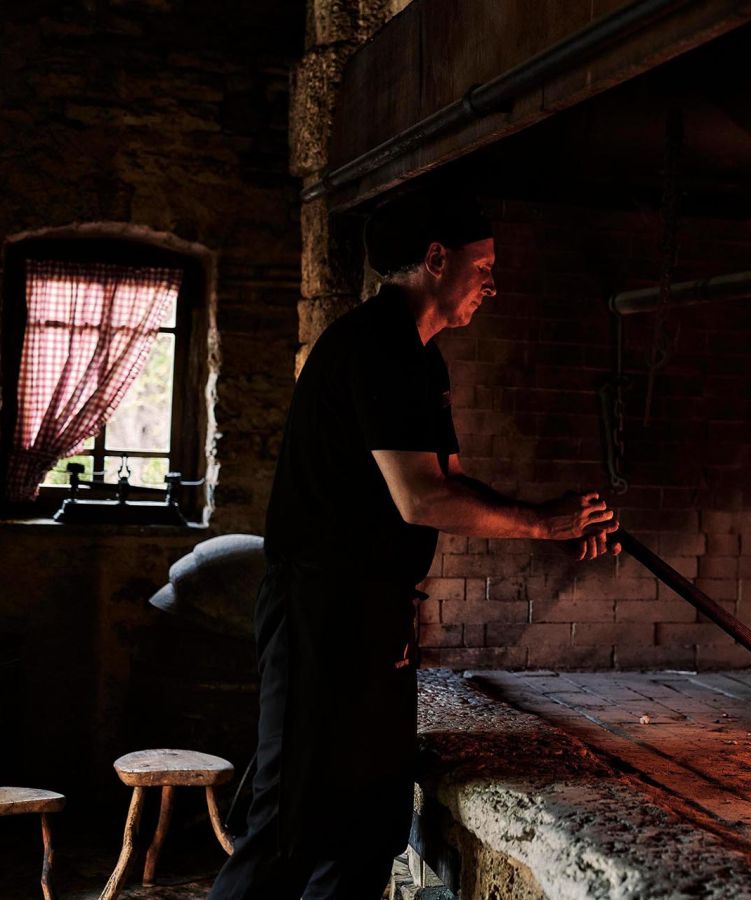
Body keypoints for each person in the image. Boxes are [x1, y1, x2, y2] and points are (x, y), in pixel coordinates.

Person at [208, 193, 619, 898]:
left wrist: (551, 524)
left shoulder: (421, 361)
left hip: (374, 618)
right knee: (290, 827)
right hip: (322, 615)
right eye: (483, 265)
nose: (493, 283)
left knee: (368, 826)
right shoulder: (375, 346)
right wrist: (538, 522)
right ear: (436, 260)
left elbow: (448, 483)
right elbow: (420, 499)